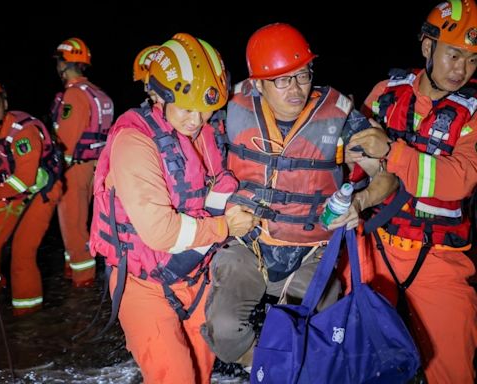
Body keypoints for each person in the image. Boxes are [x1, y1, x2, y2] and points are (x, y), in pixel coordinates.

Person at [200, 22, 398, 367]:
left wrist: (360, 201)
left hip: (311, 251)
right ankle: (261, 367)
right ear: (259, 83)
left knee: (318, 335)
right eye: (282, 79)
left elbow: (388, 178)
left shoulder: (338, 117)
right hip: (250, 245)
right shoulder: (230, 108)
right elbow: (187, 140)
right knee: (224, 329)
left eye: (303, 75)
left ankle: (297, 367)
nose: (295, 88)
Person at [88, 33, 258, 384]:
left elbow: (219, 187)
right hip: (143, 284)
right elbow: (160, 231)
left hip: (195, 276)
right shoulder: (134, 143)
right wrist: (226, 226)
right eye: (188, 108)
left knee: (201, 372)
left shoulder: (200, 133)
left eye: (206, 109)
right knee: (176, 377)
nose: (198, 119)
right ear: (158, 97)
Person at [348, 1, 477, 382]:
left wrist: (390, 152)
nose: (462, 69)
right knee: (355, 357)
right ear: (427, 47)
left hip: (438, 257)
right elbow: (352, 161)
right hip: (374, 246)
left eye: (472, 60)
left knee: (451, 367)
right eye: (455, 55)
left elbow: (460, 178)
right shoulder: (386, 93)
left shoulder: (473, 114)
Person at [0, 75, 62, 316]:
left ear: (5, 103)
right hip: (9, 190)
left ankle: (28, 317)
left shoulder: (24, 132)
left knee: (22, 250)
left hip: (41, 190)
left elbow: (24, 180)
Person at [51, 37, 114, 287]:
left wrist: (54, 172)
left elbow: (66, 138)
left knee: (73, 226)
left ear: (65, 64)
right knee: (80, 221)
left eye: (59, 62)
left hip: (73, 169)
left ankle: (82, 281)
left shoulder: (74, 95)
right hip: (93, 166)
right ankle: (72, 269)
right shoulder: (98, 94)